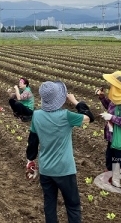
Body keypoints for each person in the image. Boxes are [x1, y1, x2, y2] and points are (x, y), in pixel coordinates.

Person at [25, 81, 94, 223]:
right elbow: (89, 117)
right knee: (73, 206)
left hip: (46, 169)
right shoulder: (67, 116)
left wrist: (30, 161)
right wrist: (75, 101)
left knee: (50, 205)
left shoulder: (36, 115)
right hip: (65, 170)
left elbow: (32, 142)